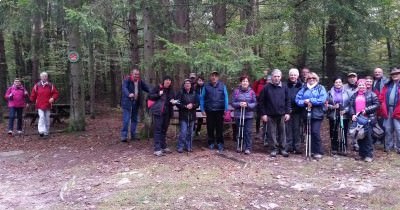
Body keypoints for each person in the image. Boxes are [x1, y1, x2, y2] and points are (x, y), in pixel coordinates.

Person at [295, 72, 327, 159]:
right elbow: (297, 100)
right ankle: (311, 150)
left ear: (316, 79)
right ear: (307, 80)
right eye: (309, 78)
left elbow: (322, 99)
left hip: (317, 114)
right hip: (306, 113)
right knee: (308, 131)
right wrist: (304, 102)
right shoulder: (304, 88)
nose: (311, 79)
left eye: (313, 78)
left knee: (315, 132)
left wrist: (311, 100)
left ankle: (318, 151)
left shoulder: (321, 88)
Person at [260, 69, 291, 157]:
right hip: (270, 114)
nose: (276, 78)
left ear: (280, 77)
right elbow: (261, 102)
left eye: (278, 76)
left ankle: (283, 149)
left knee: (283, 132)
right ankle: (274, 149)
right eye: (275, 76)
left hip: (282, 114)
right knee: (272, 133)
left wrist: (287, 112)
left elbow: (288, 100)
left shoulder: (284, 87)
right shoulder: (266, 87)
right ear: (272, 77)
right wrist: (263, 114)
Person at [349, 79, 379, 162]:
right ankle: (361, 155)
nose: (361, 86)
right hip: (357, 119)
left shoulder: (372, 94)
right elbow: (351, 106)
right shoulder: (354, 95)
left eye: (363, 85)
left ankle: (368, 155)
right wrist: (353, 115)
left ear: (366, 86)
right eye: (359, 85)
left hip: (368, 118)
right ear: (357, 86)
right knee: (359, 136)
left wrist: (366, 110)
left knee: (368, 137)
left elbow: (377, 104)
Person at [200, 71, 229, 153]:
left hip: (220, 110)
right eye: (212, 76)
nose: (214, 77)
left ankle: (220, 143)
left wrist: (226, 109)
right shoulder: (206, 86)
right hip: (209, 110)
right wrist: (202, 109)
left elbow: (226, 97)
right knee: (210, 128)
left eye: (215, 76)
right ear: (210, 77)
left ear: (218, 77)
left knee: (219, 128)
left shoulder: (222, 86)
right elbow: (202, 98)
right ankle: (211, 142)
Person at [148, 76, 177, 156]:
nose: (168, 81)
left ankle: (163, 146)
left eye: (169, 80)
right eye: (166, 80)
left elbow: (173, 99)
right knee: (158, 129)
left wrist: (173, 101)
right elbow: (150, 96)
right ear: (164, 81)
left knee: (164, 130)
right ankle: (157, 149)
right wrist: (158, 94)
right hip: (158, 112)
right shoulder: (158, 87)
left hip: (167, 112)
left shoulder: (171, 90)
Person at [120, 69, 150, 142]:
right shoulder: (127, 80)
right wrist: (129, 94)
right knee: (126, 120)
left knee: (135, 119)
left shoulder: (140, 81)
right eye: (135, 74)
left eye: (138, 74)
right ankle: (124, 136)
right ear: (132, 74)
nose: (136, 76)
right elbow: (124, 88)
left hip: (136, 103)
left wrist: (156, 91)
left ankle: (133, 135)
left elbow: (147, 88)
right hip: (127, 102)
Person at [326, 77, 352, 155]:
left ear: (342, 83)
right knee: (333, 131)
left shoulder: (347, 92)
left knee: (344, 131)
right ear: (334, 83)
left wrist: (345, 110)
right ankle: (334, 148)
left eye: (340, 82)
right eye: (336, 82)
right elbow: (326, 104)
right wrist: (333, 107)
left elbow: (351, 104)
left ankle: (343, 147)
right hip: (333, 114)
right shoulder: (329, 92)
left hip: (344, 115)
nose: (338, 84)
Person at [232, 75, 257, 154]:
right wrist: (239, 104)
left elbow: (255, 103)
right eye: (243, 81)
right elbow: (232, 102)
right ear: (241, 82)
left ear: (248, 83)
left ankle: (248, 147)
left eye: (246, 81)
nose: (245, 83)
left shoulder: (251, 92)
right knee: (239, 130)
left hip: (248, 115)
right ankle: (239, 146)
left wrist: (248, 105)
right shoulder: (236, 91)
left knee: (248, 131)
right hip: (239, 114)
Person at [30, 72, 59, 137]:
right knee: (42, 117)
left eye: (45, 76)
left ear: (47, 77)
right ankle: (41, 131)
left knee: (47, 118)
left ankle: (46, 132)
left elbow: (56, 93)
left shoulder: (50, 85)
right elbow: (33, 95)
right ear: (40, 77)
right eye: (42, 76)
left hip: (48, 104)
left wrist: (53, 98)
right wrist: (30, 101)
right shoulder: (37, 85)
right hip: (39, 105)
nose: (44, 78)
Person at [379, 66, 400, 153]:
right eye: (393, 74)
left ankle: (399, 148)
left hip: (398, 110)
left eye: (397, 74)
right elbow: (381, 97)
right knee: (388, 129)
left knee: (398, 129)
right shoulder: (387, 85)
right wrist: (382, 105)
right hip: (388, 110)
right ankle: (388, 147)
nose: (395, 75)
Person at [175, 79, 199, 153]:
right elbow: (177, 103)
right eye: (186, 83)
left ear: (191, 85)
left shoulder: (194, 93)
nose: (187, 84)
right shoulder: (180, 93)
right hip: (183, 115)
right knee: (183, 132)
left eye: (189, 83)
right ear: (184, 85)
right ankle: (180, 146)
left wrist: (193, 105)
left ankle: (188, 146)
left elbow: (197, 104)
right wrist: (185, 106)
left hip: (192, 115)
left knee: (190, 133)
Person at [285, 68, 303, 154]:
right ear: (289, 76)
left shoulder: (301, 86)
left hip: (298, 111)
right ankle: (289, 146)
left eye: (294, 75)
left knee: (297, 128)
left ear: (298, 76)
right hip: (288, 111)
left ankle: (297, 147)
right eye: (291, 75)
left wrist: (296, 109)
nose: (293, 76)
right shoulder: (285, 86)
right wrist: (287, 110)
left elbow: (302, 98)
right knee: (288, 129)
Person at [372, 67, 388, 145]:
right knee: (374, 122)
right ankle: (375, 138)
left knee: (382, 122)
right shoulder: (373, 81)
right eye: (376, 72)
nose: (377, 74)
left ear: (382, 73)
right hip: (374, 104)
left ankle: (383, 139)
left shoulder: (386, 81)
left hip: (382, 104)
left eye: (379, 72)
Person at [343, 72, 359, 150]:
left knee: (356, 128)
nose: (352, 78)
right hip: (345, 111)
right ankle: (344, 144)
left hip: (356, 111)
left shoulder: (360, 86)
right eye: (350, 77)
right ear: (348, 78)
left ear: (356, 78)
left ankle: (355, 144)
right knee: (345, 128)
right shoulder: (343, 87)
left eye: (354, 77)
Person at [252, 69, 269, 134]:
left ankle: (265, 132)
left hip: (267, 101)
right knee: (258, 117)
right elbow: (253, 90)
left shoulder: (269, 81)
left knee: (266, 117)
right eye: (264, 71)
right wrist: (258, 96)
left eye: (266, 71)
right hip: (259, 101)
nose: (265, 73)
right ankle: (257, 131)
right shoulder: (258, 81)